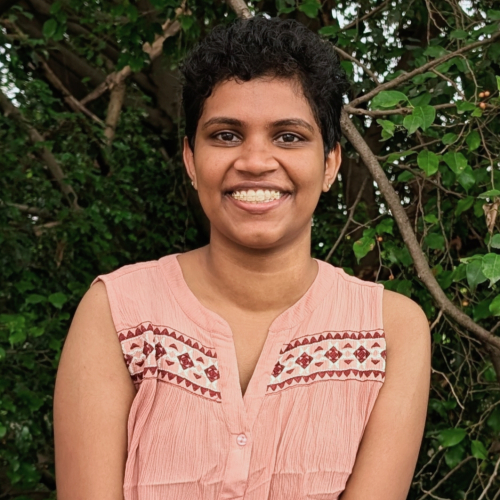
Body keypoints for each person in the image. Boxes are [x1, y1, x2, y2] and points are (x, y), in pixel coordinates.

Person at [53, 16, 431, 500]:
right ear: (191, 160)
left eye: (288, 136)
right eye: (226, 135)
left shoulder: (390, 332)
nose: (255, 161)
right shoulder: (116, 312)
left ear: (330, 163)